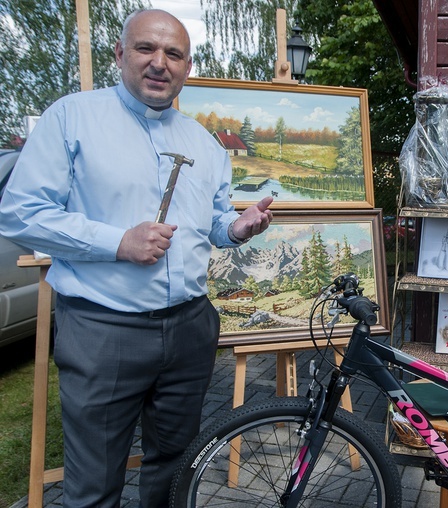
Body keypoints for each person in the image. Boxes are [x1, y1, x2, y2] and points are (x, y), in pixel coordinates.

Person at [0, 9, 273, 507]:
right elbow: (20, 214)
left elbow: (211, 224)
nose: (159, 63)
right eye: (146, 48)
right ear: (119, 54)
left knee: (174, 471)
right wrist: (117, 242)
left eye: (173, 54)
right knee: (94, 483)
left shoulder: (206, 145)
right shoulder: (72, 117)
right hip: (104, 330)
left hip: (190, 329)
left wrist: (236, 229)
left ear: (188, 67)